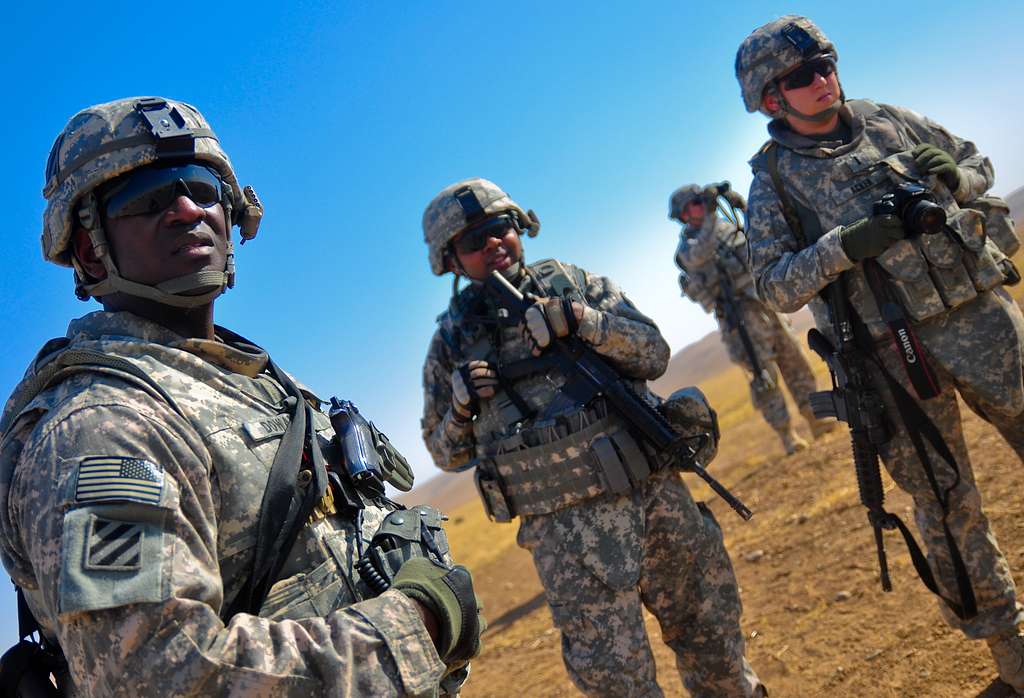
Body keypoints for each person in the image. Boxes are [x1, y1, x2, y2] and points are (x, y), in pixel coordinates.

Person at [0, 97, 482, 697]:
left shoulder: (250, 380)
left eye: (202, 190)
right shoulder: (105, 426)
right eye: (145, 200)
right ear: (89, 249)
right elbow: (159, 675)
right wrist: (419, 622)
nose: (185, 210)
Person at [736, 15, 1024, 691]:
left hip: (983, 321)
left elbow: (976, 164)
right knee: (950, 510)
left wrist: (955, 176)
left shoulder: (889, 119)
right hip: (895, 361)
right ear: (770, 97)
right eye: (801, 76)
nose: (823, 80)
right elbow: (774, 284)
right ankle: (1011, 655)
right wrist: (845, 245)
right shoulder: (773, 182)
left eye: (826, 64)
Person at [419, 177, 764, 697]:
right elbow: (444, 453)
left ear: (519, 228)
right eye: (473, 240)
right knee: (618, 684)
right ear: (451, 260)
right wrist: (461, 405)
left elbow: (653, 353)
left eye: (499, 228)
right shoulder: (450, 344)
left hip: (655, 499)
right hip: (565, 540)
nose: (492, 243)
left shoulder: (573, 285)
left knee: (714, 644)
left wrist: (586, 323)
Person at [670, 182, 835, 454]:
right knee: (764, 377)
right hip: (740, 321)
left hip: (764, 303)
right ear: (684, 214)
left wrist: (743, 208)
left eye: (703, 202)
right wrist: (712, 214)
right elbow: (702, 252)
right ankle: (787, 435)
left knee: (795, 360)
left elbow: (758, 239)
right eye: (696, 203)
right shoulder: (686, 248)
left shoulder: (724, 226)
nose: (702, 207)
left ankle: (815, 419)